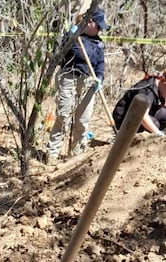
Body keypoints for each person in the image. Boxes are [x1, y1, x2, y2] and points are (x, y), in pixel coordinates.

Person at [46, 8, 109, 163]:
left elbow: (100, 64)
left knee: (83, 120)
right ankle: (52, 154)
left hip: (89, 81)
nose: (101, 29)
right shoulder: (73, 36)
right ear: (90, 22)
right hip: (69, 78)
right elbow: (58, 56)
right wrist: (70, 37)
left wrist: (99, 78)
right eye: (99, 26)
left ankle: (76, 155)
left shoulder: (99, 43)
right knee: (63, 117)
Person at [113, 71, 166, 136]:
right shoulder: (147, 90)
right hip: (126, 118)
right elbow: (143, 117)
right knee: (155, 124)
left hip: (144, 113)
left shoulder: (159, 86)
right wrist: (158, 133)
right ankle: (135, 139)